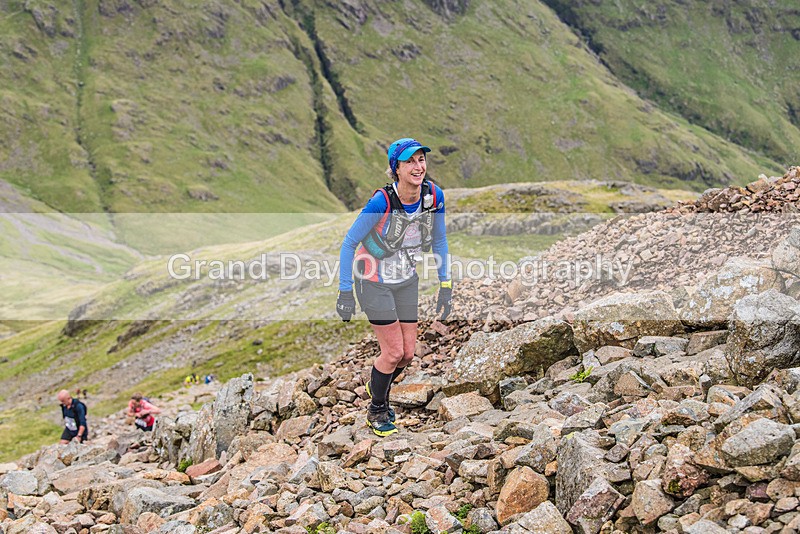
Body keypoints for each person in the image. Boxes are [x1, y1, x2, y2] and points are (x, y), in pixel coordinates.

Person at [337, 137, 452, 437]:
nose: (418, 167)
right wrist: (345, 291)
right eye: (409, 162)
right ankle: (377, 409)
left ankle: (378, 382)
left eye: (421, 160)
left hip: (406, 281)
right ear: (396, 169)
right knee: (392, 352)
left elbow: (439, 240)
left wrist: (446, 285)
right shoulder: (382, 202)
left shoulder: (433, 196)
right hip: (373, 281)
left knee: (408, 355)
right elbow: (349, 242)